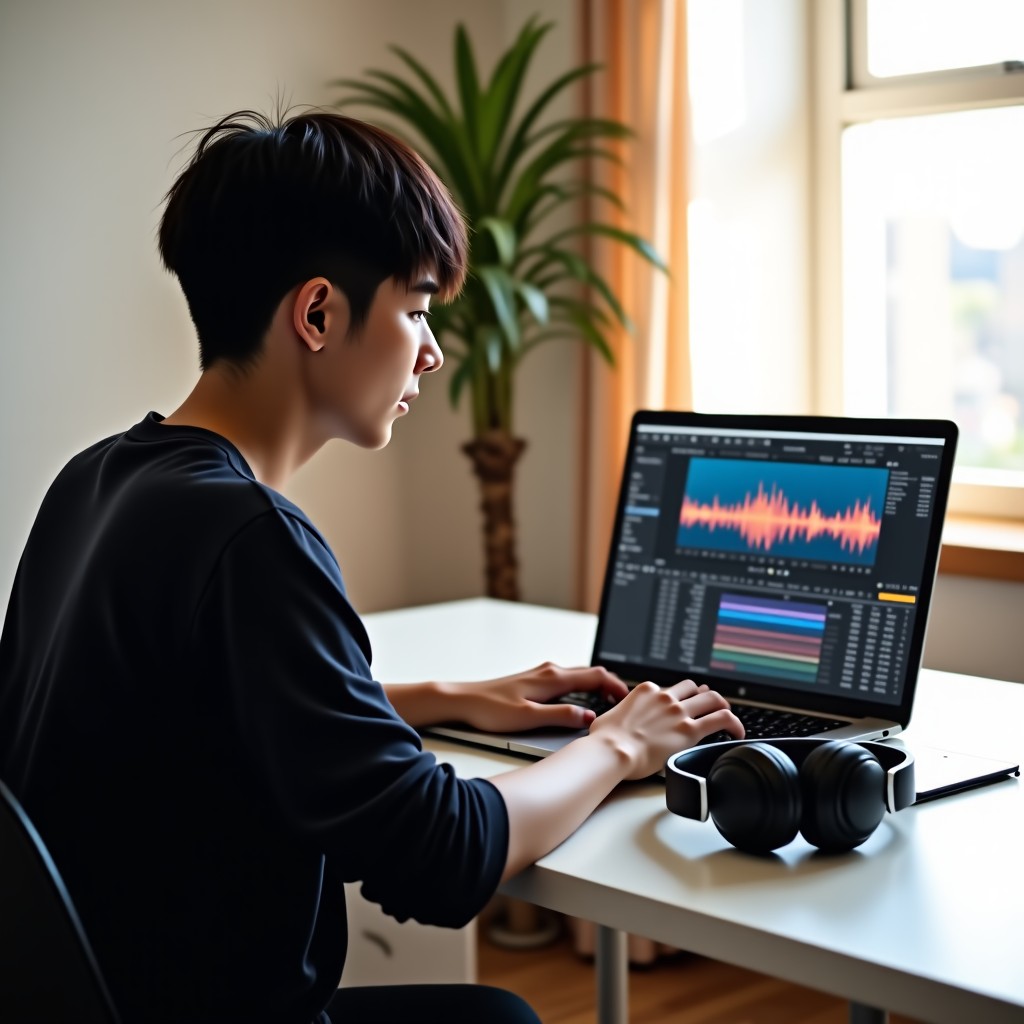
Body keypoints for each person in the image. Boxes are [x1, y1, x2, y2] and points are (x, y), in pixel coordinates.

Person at [0, 108, 743, 1024]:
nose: (431, 351)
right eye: (418, 308)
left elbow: (182, 722)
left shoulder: (97, 480)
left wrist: (436, 697)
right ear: (318, 312)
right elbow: (437, 855)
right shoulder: (252, 536)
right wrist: (620, 743)